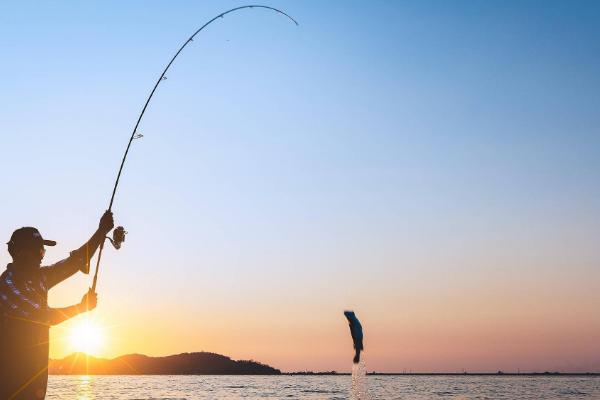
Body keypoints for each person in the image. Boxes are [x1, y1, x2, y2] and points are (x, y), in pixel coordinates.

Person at [0, 211, 114, 399]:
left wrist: (101, 231)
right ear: (22, 253)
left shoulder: (41, 277)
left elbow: (76, 262)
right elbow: (41, 317)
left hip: (35, 386)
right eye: (39, 250)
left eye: (42, 251)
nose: (42, 256)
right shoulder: (7, 285)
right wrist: (80, 308)